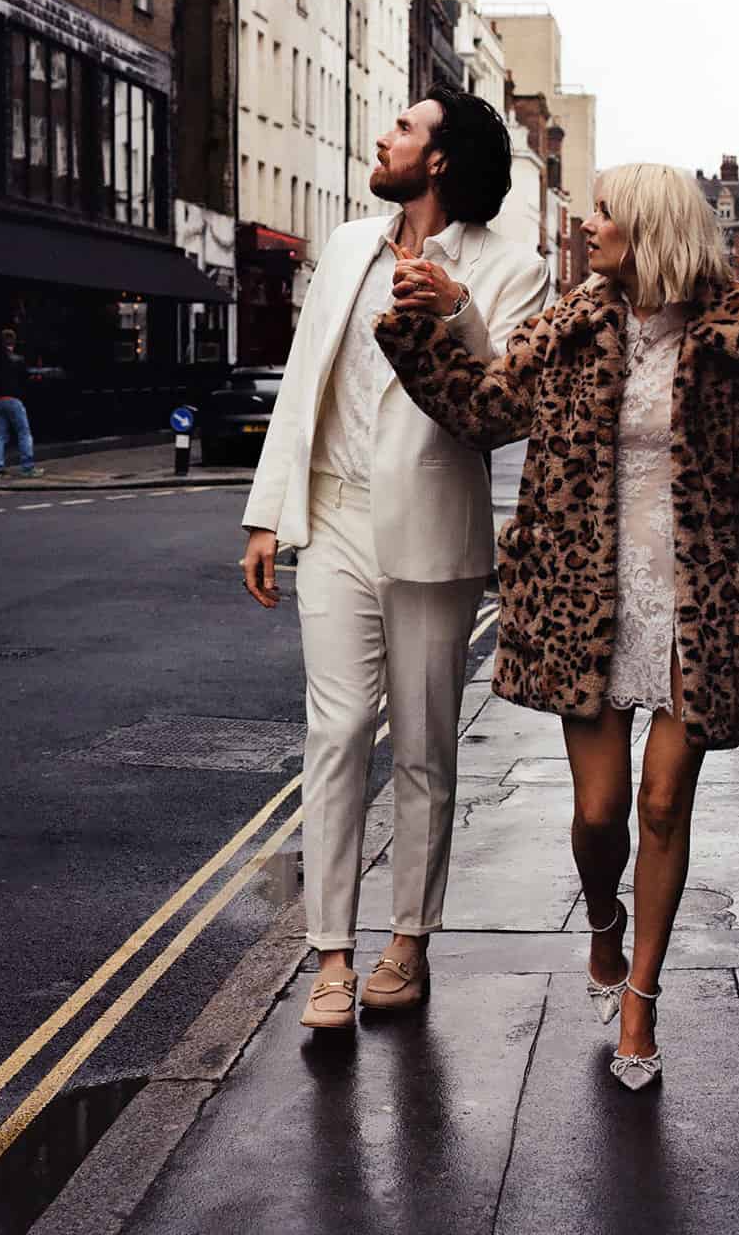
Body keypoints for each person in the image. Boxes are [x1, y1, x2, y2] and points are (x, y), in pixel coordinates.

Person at [375, 163, 739, 1090]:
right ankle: (601, 921)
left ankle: (641, 1004)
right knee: (598, 814)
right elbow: (481, 409)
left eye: (603, 213)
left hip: (698, 607)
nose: (587, 226)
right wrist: (420, 326)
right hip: (585, 601)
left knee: (664, 803)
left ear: (649, 229)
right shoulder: (571, 327)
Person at [241, 82, 550, 1032]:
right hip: (333, 519)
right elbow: (304, 385)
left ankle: (407, 944)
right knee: (334, 736)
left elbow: (506, 400)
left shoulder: (513, 266)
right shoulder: (345, 248)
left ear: (442, 159)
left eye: (405, 129)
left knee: (422, 746)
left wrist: (456, 311)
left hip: (429, 531)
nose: (384, 136)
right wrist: (267, 515)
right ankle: (330, 957)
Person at [0, 328, 44, 479]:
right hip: (13, 400)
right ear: (13, 342)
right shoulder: (18, 360)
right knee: (24, 433)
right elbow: (25, 379)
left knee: (0, 435)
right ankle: (27, 467)